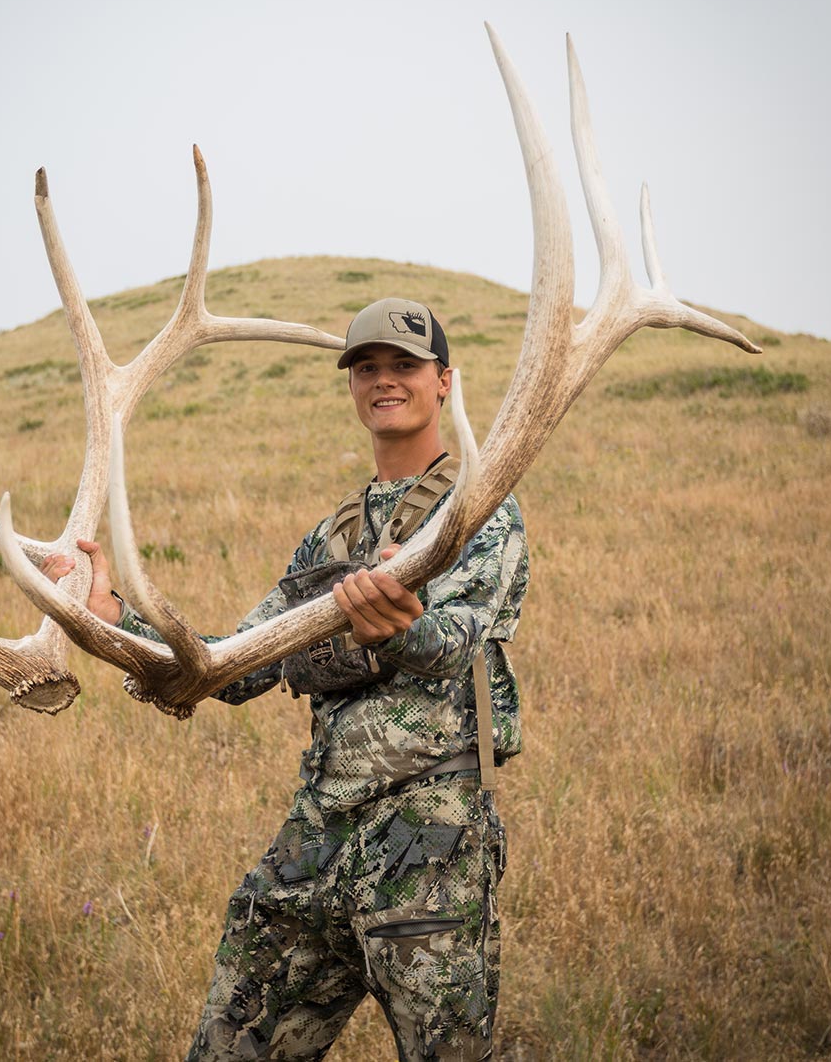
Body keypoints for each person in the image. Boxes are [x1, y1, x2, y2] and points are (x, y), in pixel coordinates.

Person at [43, 298, 528, 1061]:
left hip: (430, 835)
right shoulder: (330, 537)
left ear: (444, 381)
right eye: (367, 366)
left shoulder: (481, 508)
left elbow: (456, 639)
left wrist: (399, 627)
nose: (383, 379)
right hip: (317, 835)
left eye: (404, 364)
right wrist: (112, 616)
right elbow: (234, 665)